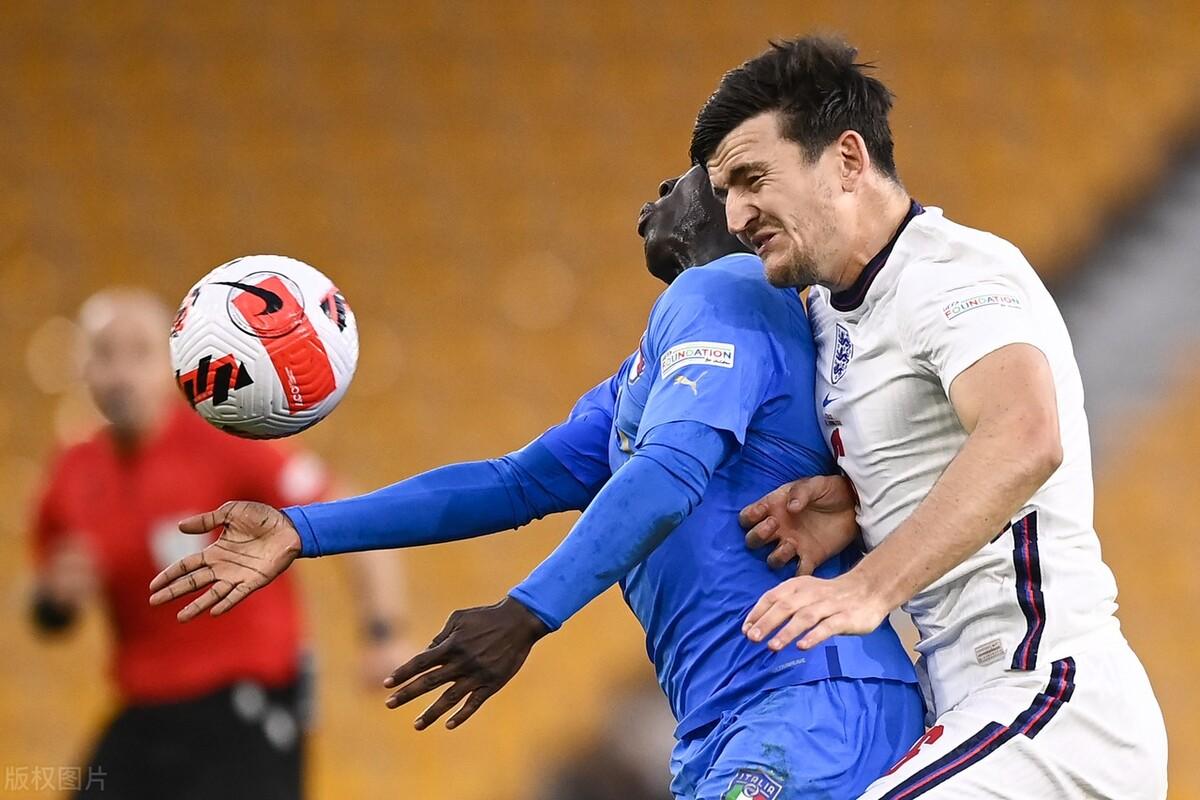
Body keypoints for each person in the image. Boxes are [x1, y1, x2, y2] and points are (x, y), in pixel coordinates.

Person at [149, 166, 925, 799]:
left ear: (737, 205)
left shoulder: (725, 290)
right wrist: (303, 529)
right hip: (747, 714)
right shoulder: (645, 374)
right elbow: (513, 483)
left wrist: (525, 614)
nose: (657, 192)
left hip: (807, 699)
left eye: (688, 174)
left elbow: (669, 476)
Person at [689, 36, 1169, 799]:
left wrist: (867, 587)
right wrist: (861, 504)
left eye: (752, 178)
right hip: (967, 703)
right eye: (726, 193)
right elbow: (938, 442)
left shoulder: (951, 272)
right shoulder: (833, 313)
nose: (738, 214)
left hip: (1048, 695)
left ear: (848, 160)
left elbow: (1025, 435)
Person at [30, 288, 410, 800]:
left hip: (247, 704)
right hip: (146, 707)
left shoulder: (226, 438)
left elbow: (352, 516)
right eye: (104, 354)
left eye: (139, 353)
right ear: (82, 367)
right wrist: (53, 600)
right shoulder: (73, 470)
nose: (121, 373)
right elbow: (49, 609)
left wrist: (383, 631)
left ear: (172, 363)